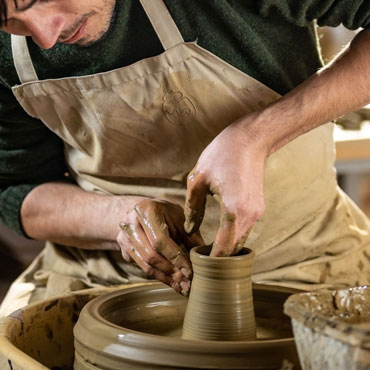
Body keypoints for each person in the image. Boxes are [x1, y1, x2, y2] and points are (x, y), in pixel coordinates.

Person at [1, 0, 370, 317]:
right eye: (9, 21)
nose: (45, 37)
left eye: (36, 0)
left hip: (302, 262)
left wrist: (256, 136)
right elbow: (16, 189)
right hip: (102, 280)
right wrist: (118, 220)